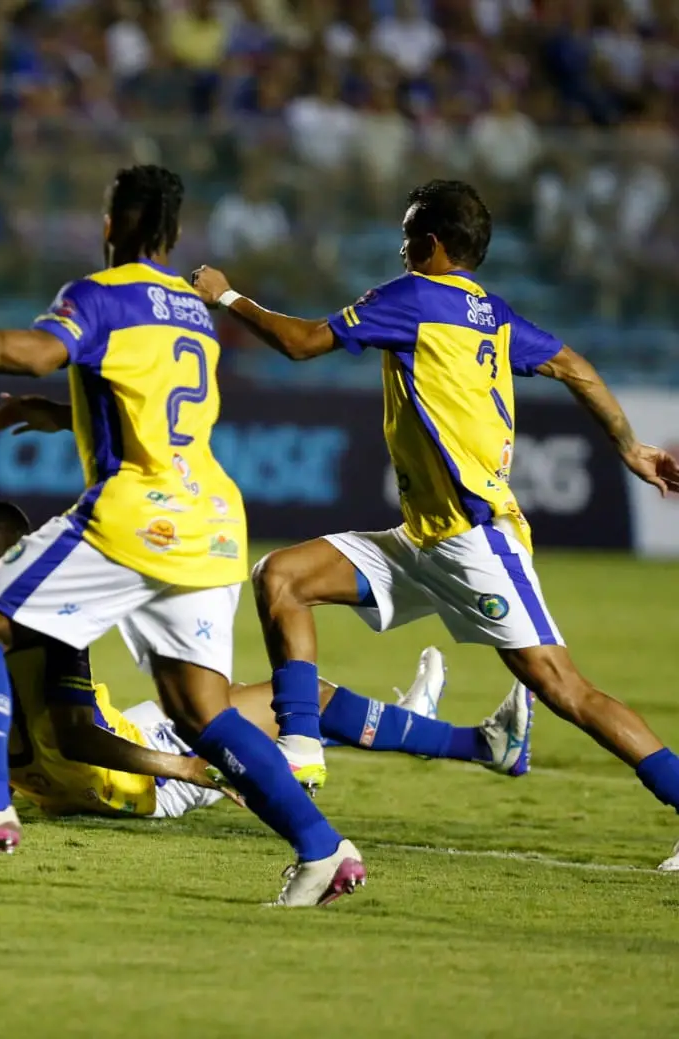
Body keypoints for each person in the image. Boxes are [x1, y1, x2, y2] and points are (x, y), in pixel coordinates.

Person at [0, 164, 367, 907]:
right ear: (175, 235)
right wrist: (63, 413)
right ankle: (323, 849)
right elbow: (149, 397)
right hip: (212, 521)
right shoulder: (193, 309)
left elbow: (32, 352)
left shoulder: (97, 293)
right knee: (201, 713)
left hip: (137, 513)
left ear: (109, 224)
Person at [190, 179, 679, 868]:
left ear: (433, 243)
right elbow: (574, 365)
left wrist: (227, 297)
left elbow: (301, 343)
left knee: (566, 689)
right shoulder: (495, 315)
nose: (400, 243)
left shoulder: (415, 297)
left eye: (409, 231)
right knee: (283, 576)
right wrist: (629, 445)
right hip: (423, 538)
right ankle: (301, 742)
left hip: (476, 541)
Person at [0, 500, 533, 818]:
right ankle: (469, 740)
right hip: (128, 778)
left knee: (272, 702)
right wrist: (184, 767)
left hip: (54, 778)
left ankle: (439, 729)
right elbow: (80, 733)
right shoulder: (50, 620)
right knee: (292, 701)